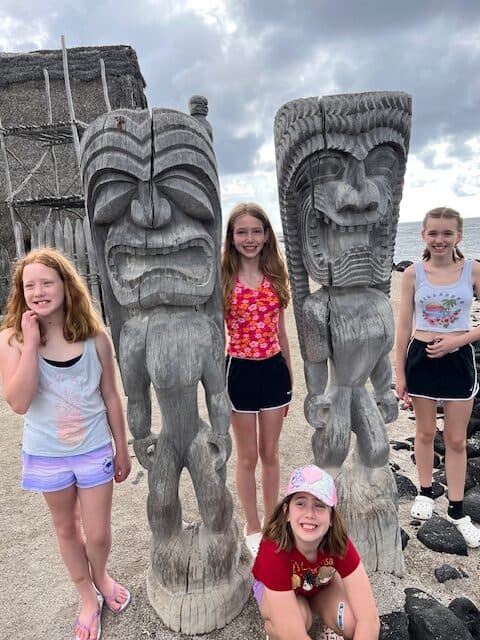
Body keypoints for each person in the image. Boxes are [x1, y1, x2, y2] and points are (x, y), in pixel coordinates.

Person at [0, 248, 132, 640]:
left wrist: (121, 448)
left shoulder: (96, 337)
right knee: (66, 529)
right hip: (46, 456)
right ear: (20, 293)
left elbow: (110, 396)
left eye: (46, 282)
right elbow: (19, 402)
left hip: (93, 450)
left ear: (65, 285)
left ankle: (102, 576)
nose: (38, 291)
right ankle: (86, 598)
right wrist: (29, 341)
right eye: (29, 285)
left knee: (99, 533)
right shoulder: (10, 339)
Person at [395, 207, 480, 547]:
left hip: (458, 360)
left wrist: (459, 340)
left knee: (457, 440)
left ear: (458, 235)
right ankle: (426, 492)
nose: (440, 240)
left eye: (447, 233)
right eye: (433, 233)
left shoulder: (473, 270)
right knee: (425, 431)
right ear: (423, 235)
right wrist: (399, 371)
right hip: (422, 358)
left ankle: (457, 510)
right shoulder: (413, 273)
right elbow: (403, 325)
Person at [222, 202, 292, 556]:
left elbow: (281, 331)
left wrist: (291, 381)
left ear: (266, 235)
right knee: (247, 456)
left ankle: (272, 520)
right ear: (232, 238)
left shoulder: (276, 277)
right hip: (239, 371)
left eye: (256, 231)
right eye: (242, 232)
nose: (249, 238)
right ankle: (252, 526)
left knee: (271, 453)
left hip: (274, 370)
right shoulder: (223, 280)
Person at [252, 464, 380, 640]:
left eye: (319, 505)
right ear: (286, 512)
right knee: (298, 621)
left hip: (320, 584)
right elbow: (293, 634)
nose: (309, 513)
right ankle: (274, 629)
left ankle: (322, 619)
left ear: (331, 518)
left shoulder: (338, 542)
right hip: (274, 588)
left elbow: (369, 619)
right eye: (300, 503)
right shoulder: (273, 548)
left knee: (350, 623)